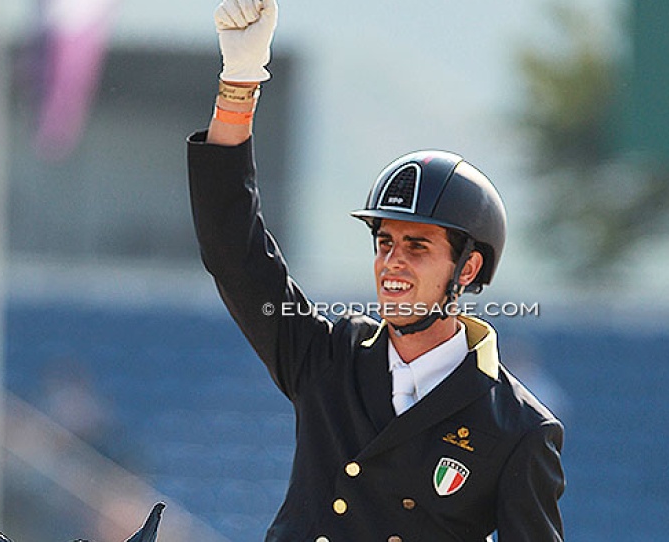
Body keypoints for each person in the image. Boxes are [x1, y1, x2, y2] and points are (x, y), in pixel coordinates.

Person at [186, 1, 566, 541]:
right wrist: (239, 85)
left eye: (417, 247)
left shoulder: (518, 428)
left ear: (468, 266)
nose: (392, 263)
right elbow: (232, 253)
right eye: (384, 243)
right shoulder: (328, 357)